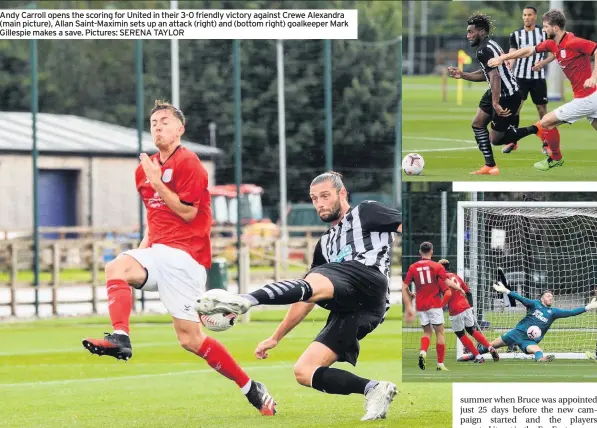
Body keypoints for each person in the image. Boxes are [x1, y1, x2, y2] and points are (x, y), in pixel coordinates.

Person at [82, 100, 276, 416]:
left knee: (191, 340)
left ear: (180, 129)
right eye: (154, 122)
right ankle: (121, 337)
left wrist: (159, 181)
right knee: (116, 266)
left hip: (187, 260)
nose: (158, 126)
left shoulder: (190, 164)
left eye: (165, 121)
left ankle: (251, 387)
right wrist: (142, 251)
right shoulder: (141, 172)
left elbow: (188, 213)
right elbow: (154, 217)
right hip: (158, 253)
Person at [196, 171, 400, 421]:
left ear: (342, 193)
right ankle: (375, 389)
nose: (320, 203)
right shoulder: (324, 245)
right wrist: (275, 337)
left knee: (316, 277)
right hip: (354, 309)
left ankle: (246, 299)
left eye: (325, 196)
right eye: (314, 198)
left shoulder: (366, 212)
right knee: (305, 371)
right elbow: (307, 293)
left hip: (369, 282)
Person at [488, 8, 597, 171]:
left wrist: (594, 76)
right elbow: (528, 50)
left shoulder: (573, 42)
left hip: (587, 98)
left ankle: (555, 158)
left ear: (555, 28)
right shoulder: (552, 44)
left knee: (546, 122)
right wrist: (503, 58)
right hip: (588, 98)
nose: (543, 29)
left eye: (546, 27)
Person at [447, 13, 522, 175]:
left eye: (471, 32)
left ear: (481, 32)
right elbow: (487, 74)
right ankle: (490, 166)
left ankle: (536, 129)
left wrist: (496, 103)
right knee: (478, 124)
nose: (468, 36)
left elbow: (494, 76)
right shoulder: (490, 45)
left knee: (496, 140)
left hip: (506, 96)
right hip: (498, 91)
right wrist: (463, 75)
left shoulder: (483, 50)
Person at [459, 283, 597, 362]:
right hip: (516, 333)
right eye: (548, 296)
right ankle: (471, 356)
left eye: (552, 296)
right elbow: (520, 298)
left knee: (538, 350)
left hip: (528, 341)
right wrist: (507, 291)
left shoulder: (553, 312)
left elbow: (571, 312)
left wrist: (587, 307)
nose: (551, 297)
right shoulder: (534, 304)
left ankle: (540, 359)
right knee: (491, 345)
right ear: (542, 298)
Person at [503, 5, 555, 154]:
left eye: (529, 15)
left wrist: (542, 63)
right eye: (524, 15)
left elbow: (554, 53)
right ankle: (513, 141)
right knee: (516, 108)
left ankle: (546, 142)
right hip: (520, 77)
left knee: (542, 109)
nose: (526, 17)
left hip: (537, 78)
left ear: (535, 17)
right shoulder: (515, 34)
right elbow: (512, 55)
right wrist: (507, 70)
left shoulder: (543, 33)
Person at [438, 259, 499, 364]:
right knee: (471, 330)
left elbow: (445, 294)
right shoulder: (457, 277)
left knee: (460, 333)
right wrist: (471, 307)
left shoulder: (441, 278)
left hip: (455, 309)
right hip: (466, 306)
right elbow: (468, 292)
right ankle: (489, 347)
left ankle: (478, 356)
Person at [403, 242, 452, 371]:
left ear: (420, 252)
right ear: (432, 251)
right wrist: (460, 289)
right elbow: (446, 282)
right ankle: (440, 364)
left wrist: (409, 294)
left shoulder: (413, 267)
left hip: (420, 305)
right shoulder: (437, 266)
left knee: (427, 332)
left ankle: (423, 352)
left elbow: (404, 286)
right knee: (440, 333)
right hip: (434, 304)